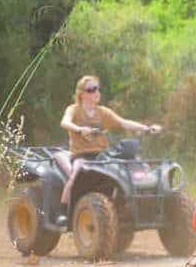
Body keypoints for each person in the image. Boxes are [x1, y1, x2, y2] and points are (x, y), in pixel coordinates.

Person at [57, 75, 162, 224]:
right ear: (82, 93)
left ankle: (126, 207)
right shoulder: (74, 109)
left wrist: (146, 128)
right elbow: (65, 122)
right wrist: (79, 129)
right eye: (91, 89)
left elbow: (123, 123)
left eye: (97, 88)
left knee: (123, 172)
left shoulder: (103, 112)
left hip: (102, 156)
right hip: (81, 155)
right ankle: (63, 211)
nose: (96, 92)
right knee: (75, 176)